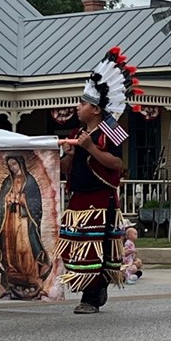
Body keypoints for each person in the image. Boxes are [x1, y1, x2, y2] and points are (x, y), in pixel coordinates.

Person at [59, 47, 141, 313]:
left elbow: (117, 164)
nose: (77, 107)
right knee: (77, 248)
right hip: (78, 199)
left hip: (100, 201)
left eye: (81, 104)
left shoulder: (112, 130)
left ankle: (91, 297)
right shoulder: (77, 132)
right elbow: (65, 169)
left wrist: (90, 148)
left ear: (95, 108)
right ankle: (92, 289)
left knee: (95, 249)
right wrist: (70, 155)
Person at [0, 150, 55, 300]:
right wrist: (7, 201)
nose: (12, 167)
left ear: (20, 164)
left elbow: (35, 203)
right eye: (10, 165)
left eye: (14, 164)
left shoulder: (30, 181)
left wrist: (24, 201)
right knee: (10, 245)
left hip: (25, 219)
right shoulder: (8, 182)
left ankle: (29, 272)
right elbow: (1, 201)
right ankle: (12, 270)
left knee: (24, 246)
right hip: (10, 219)